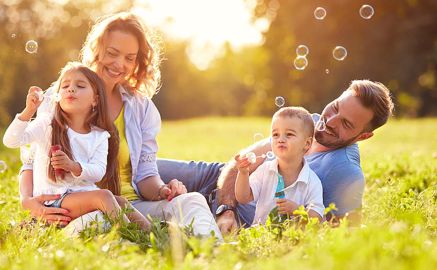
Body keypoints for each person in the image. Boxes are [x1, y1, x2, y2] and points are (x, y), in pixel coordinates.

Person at [18, 12, 221, 239]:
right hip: (78, 209)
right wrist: (29, 202)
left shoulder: (140, 107)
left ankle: (212, 252)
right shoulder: (60, 96)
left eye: (129, 58)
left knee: (192, 200)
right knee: (97, 224)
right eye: (112, 53)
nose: (119, 64)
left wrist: (163, 189)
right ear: (96, 50)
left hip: (132, 208)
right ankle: (142, 240)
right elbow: (30, 162)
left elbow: (145, 175)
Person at [152, 80, 394, 233]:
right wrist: (226, 209)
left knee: (139, 203)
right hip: (215, 179)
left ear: (363, 136)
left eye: (346, 123)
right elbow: (238, 164)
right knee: (133, 169)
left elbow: (343, 235)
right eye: (335, 108)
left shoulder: (346, 172)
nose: (328, 121)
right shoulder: (309, 121)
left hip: (234, 217)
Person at [4, 62, 149, 231]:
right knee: (104, 196)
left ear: (95, 99)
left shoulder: (100, 135)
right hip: (55, 199)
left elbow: (98, 171)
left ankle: (153, 232)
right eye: (65, 86)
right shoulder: (46, 125)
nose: (71, 89)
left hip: (81, 195)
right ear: (57, 97)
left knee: (121, 201)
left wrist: (73, 166)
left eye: (80, 86)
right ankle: (132, 235)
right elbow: (11, 141)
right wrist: (28, 111)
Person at [234, 107, 324, 224]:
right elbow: (243, 197)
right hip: (262, 236)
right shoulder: (265, 170)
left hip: (293, 239)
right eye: (275, 134)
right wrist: (243, 173)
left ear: (306, 144)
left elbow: (317, 218)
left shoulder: (312, 181)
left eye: (289, 134)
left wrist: (297, 211)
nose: (280, 139)